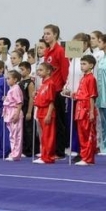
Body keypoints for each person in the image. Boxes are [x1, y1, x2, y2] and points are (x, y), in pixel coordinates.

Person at [42, 24, 70, 158]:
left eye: (48, 33)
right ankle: (50, 148)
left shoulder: (60, 51)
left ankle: (60, 151)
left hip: (58, 90)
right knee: (50, 121)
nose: (46, 36)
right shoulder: (47, 51)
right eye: (44, 34)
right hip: (48, 89)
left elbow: (65, 71)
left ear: (55, 35)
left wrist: (65, 87)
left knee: (59, 121)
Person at [73, 55, 98, 166]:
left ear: (91, 65)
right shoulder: (83, 77)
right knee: (81, 133)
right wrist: (75, 94)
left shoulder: (91, 78)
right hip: (79, 107)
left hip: (86, 108)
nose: (82, 66)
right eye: (81, 64)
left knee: (88, 133)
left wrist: (91, 112)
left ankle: (88, 158)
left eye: (84, 64)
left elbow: (92, 96)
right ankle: (84, 156)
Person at [33, 62, 57, 164]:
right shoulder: (43, 83)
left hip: (47, 111)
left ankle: (48, 157)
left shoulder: (50, 83)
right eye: (38, 70)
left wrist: (49, 114)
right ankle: (44, 154)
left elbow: (51, 101)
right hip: (41, 110)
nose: (39, 72)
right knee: (43, 136)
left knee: (48, 135)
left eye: (41, 70)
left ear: (48, 71)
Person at [3, 70, 24, 161]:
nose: (7, 80)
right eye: (6, 78)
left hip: (15, 112)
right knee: (12, 134)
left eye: (9, 78)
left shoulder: (16, 88)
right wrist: (6, 99)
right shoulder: (12, 88)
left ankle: (16, 154)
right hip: (10, 111)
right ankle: (13, 152)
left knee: (16, 134)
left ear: (15, 79)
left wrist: (17, 114)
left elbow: (19, 102)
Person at [19, 61, 37, 158]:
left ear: (29, 70)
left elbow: (31, 98)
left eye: (22, 69)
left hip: (27, 107)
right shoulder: (20, 82)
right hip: (21, 107)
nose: (20, 71)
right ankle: (24, 148)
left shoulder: (30, 83)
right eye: (20, 70)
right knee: (22, 129)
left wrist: (29, 112)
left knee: (28, 129)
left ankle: (29, 150)